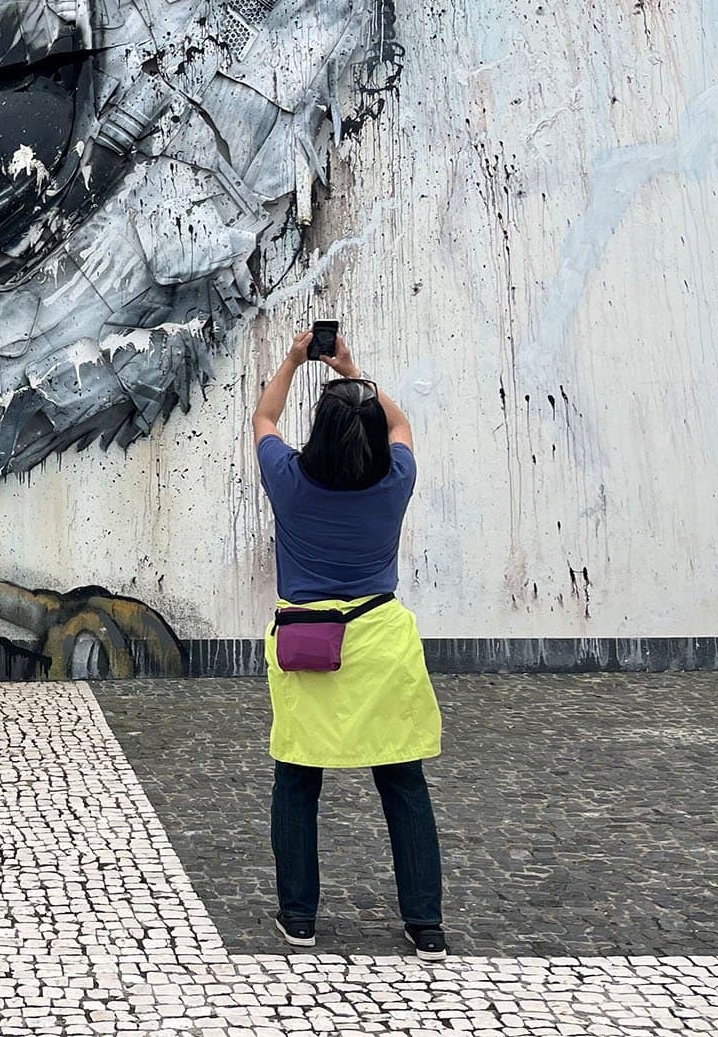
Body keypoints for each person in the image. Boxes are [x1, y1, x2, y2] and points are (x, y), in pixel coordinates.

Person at [251, 329, 448, 961]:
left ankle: (300, 919)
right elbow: (403, 424)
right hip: (382, 644)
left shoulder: (289, 482)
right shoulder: (395, 482)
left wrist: (292, 358)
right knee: (402, 782)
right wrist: (355, 372)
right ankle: (426, 926)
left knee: (298, 778)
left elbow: (264, 416)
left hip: (311, 645)